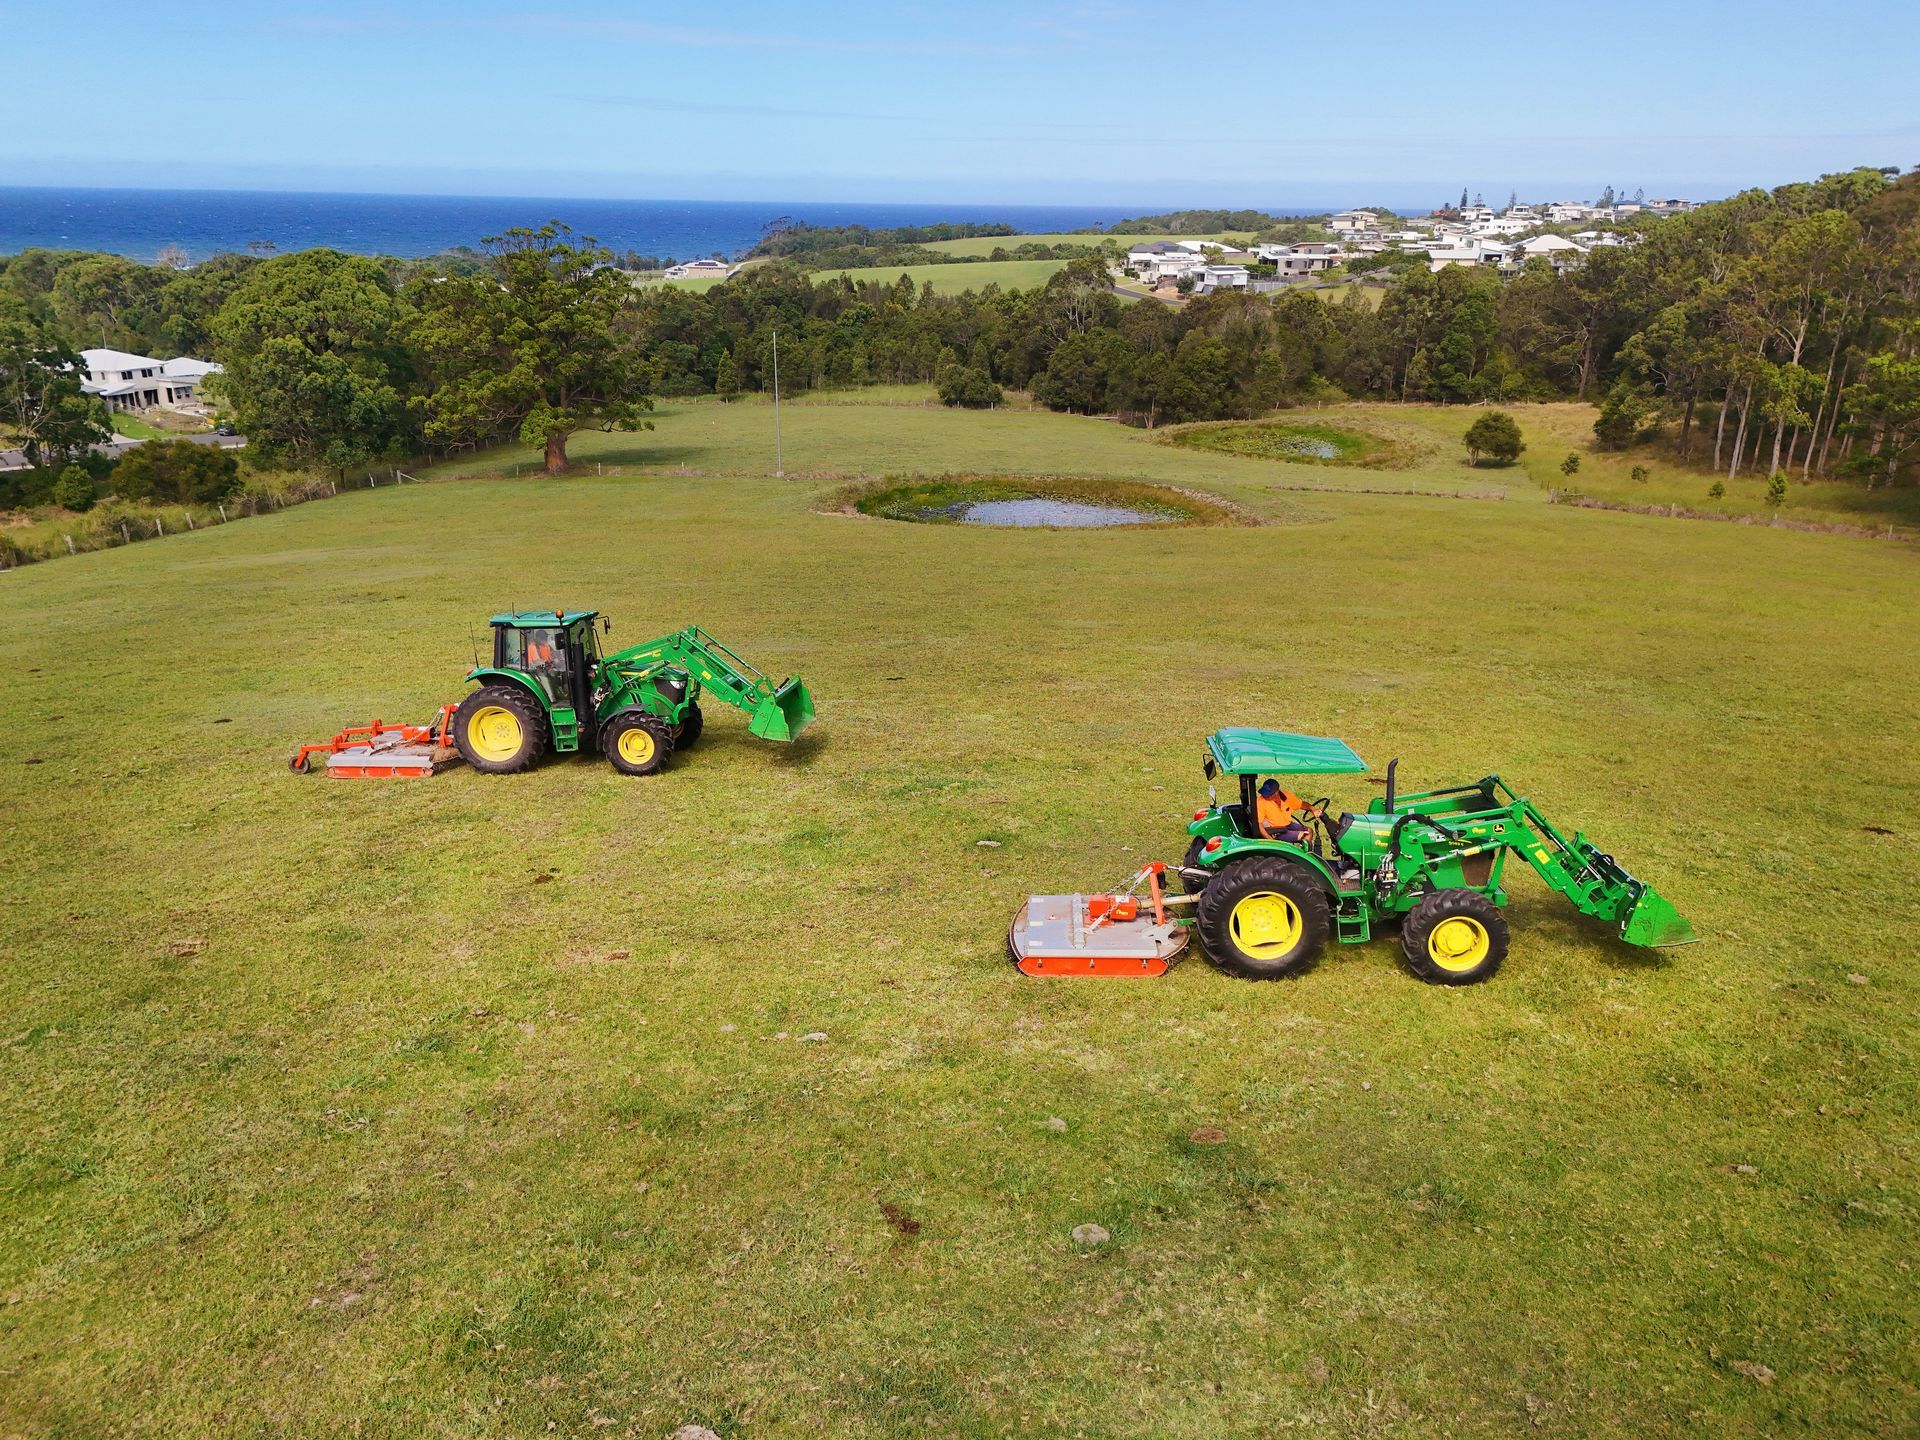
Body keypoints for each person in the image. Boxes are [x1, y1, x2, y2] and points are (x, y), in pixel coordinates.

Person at [1256, 778, 1314, 843]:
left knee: (1309, 830)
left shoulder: (1286, 796)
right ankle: (1302, 851)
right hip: (1276, 831)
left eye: (1268, 794)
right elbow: (1259, 824)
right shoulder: (1260, 802)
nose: (1265, 796)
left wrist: (1313, 809)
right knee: (1305, 835)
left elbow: (1301, 804)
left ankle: (1305, 849)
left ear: (1276, 792)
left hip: (1288, 825)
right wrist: (1271, 840)